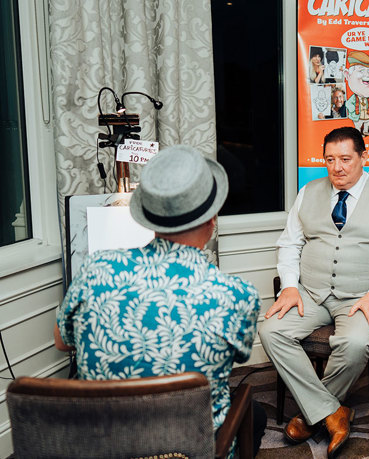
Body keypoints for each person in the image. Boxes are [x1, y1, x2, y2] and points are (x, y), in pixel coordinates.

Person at [54, 146, 265, 457]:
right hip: (189, 450)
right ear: (212, 218)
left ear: (147, 218)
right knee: (254, 412)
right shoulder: (235, 294)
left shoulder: (94, 270)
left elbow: (62, 342)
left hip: (106, 445)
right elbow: (237, 356)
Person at [258, 127, 369, 458]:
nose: (337, 168)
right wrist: (288, 286)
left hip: (362, 296)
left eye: (345, 159)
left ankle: (311, 415)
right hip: (311, 293)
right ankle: (332, 411)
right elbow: (290, 243)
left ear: (362, 157)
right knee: (270, 330)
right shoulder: (308, 192)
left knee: (355, 342)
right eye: (330, 160)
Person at [344, 51, 369, 136]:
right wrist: (353, 110)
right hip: (358, 117)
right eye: (361, 70)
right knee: (358, 125)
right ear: (348, 75)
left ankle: (365, 131)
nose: (367, 75)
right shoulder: (353, 98)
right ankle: (358, 133)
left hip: (367, 116)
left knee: (366, 124)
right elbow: (348, 104)